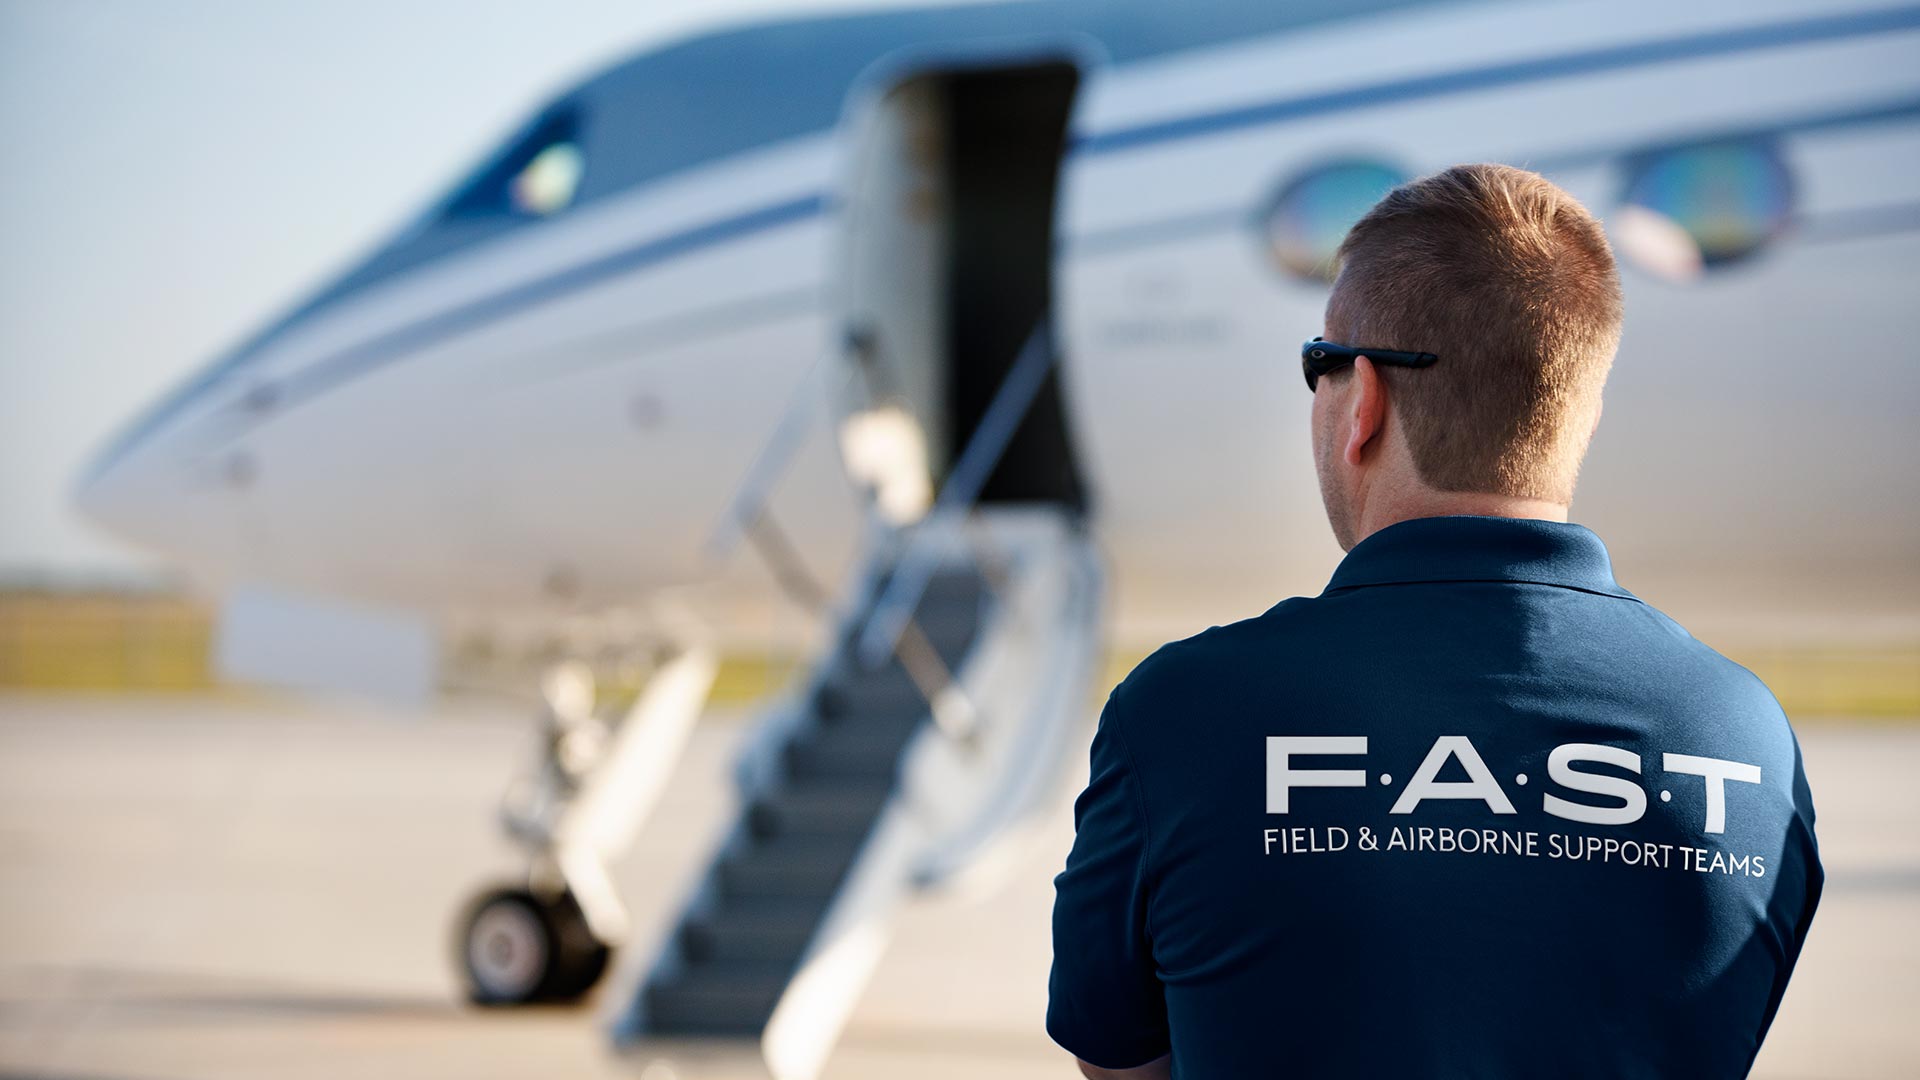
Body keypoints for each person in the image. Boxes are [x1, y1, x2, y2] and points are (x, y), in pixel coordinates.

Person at [1045, 163, 1823, 1079]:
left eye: (1318, 368)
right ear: (1582, 413)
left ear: (1362, 401)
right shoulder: (1743, 737)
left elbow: (1119, 1062)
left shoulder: (1183, 714)